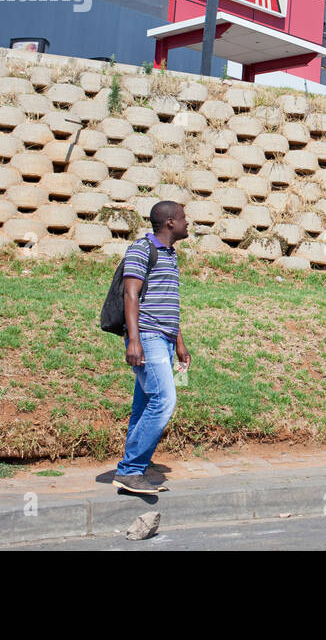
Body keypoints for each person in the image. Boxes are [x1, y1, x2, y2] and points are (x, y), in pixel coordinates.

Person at [114, 201, 190, 495]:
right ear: (170, 222)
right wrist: (134, 340)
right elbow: (130, 295)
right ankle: (130, 469)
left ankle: (133, 470)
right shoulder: (142, 249)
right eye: (183, 218)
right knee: (164, 400)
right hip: (147, 338)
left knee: (144, 406)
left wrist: (180, 344)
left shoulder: (169, 254)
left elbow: (167, 302)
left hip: (164, 340)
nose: (187, 223)